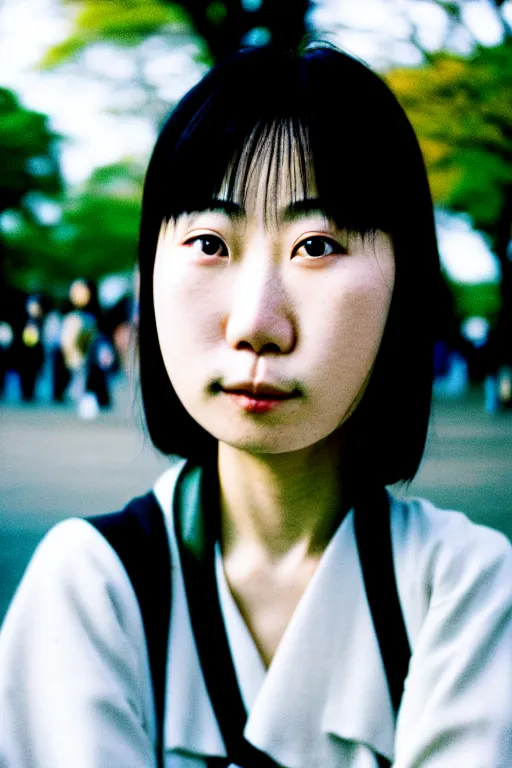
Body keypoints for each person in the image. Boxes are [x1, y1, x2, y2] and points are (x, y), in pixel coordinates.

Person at [0, 44, 511, 768]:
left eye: (317, 245)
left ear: (408, 287)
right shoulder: (94, 590)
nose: (256, 324)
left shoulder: (466, 593)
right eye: (210, 241)